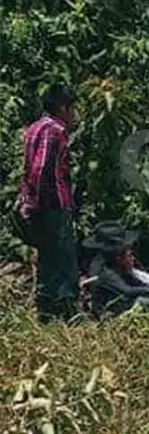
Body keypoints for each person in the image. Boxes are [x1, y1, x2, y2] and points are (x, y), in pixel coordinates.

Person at [17, 84, 79, 322]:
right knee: (63, 261)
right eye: (72, 109)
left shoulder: (34, 128)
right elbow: (41, 168)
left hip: (38, 205)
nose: (74, 115)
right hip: (53, 206)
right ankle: (65, 314)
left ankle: (45, 312)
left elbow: (27, 169)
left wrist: (27, 201)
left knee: (46, 260)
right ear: (63, 107)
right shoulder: (56, 130)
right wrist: (40, 202)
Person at [82, 221, 149, 319]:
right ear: (119, 259)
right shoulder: (105, 272)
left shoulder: (119, 267)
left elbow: (136, 281)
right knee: (144, 302)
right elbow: (127, 291)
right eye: (129, 255)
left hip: (121, 303)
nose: (133, 258)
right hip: (108, 313)